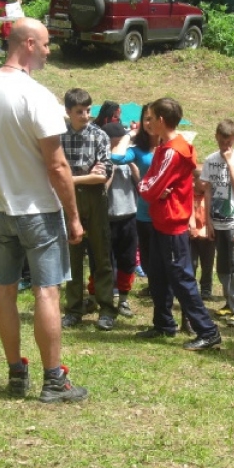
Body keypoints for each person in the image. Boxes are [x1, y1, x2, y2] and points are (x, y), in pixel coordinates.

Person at [0, 17, 87, 403]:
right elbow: (56, 166)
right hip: (36, 210)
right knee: (46, 293)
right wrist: (73, 216)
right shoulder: (36, 96)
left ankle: (16, 375)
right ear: (30, 44)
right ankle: (54, 381)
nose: (50, 50)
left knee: (5, 291)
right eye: (48, 43)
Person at [136, 98, 222, 351]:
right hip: (162, 221)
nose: (148, 122)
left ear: (162, 121)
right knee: (159, 274)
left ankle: (208, 331)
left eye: (151, 118)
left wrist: (146, 187)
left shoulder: (173, 151)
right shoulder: (168, 147)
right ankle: (163, 324)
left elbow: (149, 188)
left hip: (172, 223)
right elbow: (153, 184)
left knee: (182, 278)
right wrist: (152, 187)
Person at [60, 88, 116, 331]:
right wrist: (83, 177)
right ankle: (74, 309)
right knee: (72, 256)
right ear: (68, 112)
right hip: (68, 199)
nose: (85, 116)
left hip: (95, 199)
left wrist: (71, 179)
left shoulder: (99, 135)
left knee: (101, 253)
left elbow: (103, 175)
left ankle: (106, 308)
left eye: (88, 110)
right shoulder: (59, 136)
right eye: (79, 112)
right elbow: (53, 171)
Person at [201, 119, 234, 328]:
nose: (225, 147)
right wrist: (207, 220)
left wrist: (230, 161)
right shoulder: (210, 160)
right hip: (217, 221)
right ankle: (230, 302)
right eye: (222, 142)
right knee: (223, 267)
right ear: (216, 137)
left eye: (229, 143)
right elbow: (207, 189)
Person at [111, 104, 158, 288]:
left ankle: (164, 293)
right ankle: (156, 290)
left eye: (153, 118)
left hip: (168, 213)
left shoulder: (170, 146)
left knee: (167, 261)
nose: (149, 123)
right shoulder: (139, 150)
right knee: (147, 262)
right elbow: (116, 158)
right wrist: (129, 135)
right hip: (145, 213)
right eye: (146, 118)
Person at [102, 121, 137, 318]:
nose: (117, 146)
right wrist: (112, 167)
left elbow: (140, 183)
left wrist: (131, 163)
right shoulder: (102, 159)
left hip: (129, 215)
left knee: (127, 260)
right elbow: (103, 190)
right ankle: (102, 298)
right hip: (107, 217)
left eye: (119, 142)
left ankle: (123, 299)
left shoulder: (129, 156)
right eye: (113, 143)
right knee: (105, 260)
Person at [189, 163, 216, 303]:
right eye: (204, 180)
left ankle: (206, 288)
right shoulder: (189, 195)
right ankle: (190, 288)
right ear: (194, 180)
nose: (207, 183)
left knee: (208, 264)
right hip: (192, 236)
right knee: (192, 263)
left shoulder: (211, 195)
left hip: (207, 236)